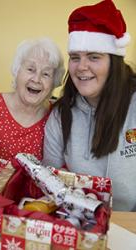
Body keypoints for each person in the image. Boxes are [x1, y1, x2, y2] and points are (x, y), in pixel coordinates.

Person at [43, 0, 136, 211]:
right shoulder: (60, 116)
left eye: (94, 57)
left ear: (114, 63)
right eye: (75, 57)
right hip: (82, 223)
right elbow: (51, 184)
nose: (81, 67)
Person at [0, 37, 65, 176]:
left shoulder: (56, 117)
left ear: (54, 81)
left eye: (46, 74)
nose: (36, 79)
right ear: (17, 71)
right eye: (31, 69)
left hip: (32, 196)